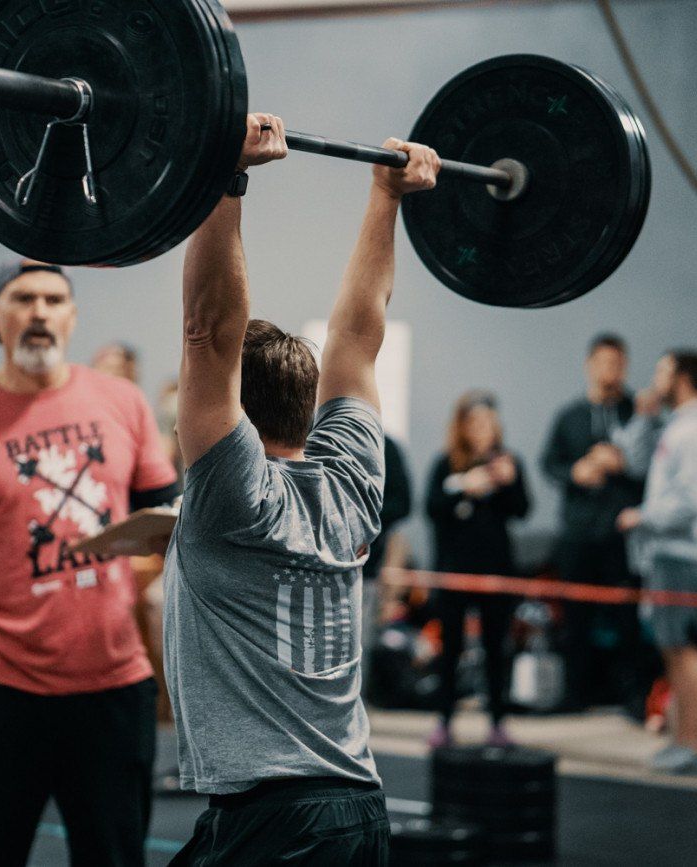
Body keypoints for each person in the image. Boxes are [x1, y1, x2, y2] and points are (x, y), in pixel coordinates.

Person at [162, 113, 440, 864]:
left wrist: (226, 180)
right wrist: (387, 198)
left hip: (276, 823)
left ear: (236, 417)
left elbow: (207, 333)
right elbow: (358, 334)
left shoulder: (233, 494)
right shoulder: (352, 478)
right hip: (353, 809)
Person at [0, 260, 178, 866]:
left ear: (72, 317)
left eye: (54, 299)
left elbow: (167, 520)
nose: (39, 312)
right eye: (23, 299)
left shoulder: (124, 404)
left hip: (113, 690)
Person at [616, 350, 697, 775]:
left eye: (662, 370)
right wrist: (644, 418)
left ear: (682, 377)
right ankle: (683, 741)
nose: (654, 378)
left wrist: (641, 517)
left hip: (685, 556)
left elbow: (691, 500)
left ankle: (693, 746)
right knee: (675, 650)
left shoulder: (696, 432)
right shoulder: (677, 427)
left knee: (687, 652)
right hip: (670, 555)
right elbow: (633, 459)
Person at [540, 333, 646, 711]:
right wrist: (577, 471)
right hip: (579, 534)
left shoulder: (639, 414)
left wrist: (623, 464)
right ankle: (575, 694)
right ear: (589, 366)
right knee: (576, 619)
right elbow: (549, 463)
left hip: (623, 535)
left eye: (616, 363)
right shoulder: (570, 416)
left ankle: (633, 696)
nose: (609, 371)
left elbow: (656, 467)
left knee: (628, 619)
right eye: (603, 362)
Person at [425, 391, 529, 748]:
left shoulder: (507, 463)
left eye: (488, 422)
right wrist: (464, 488)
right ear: (463, 427)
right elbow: (432, 508)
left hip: (496, 572)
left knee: (495, 649)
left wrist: (508, 481)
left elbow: (522, 509)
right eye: (475, 423)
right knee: (450, 649)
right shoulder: (447, 464)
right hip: (455, 572)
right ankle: (444, 721)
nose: (483, 429)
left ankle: (498, 722)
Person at [361, 432, 410, 698]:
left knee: (358, 645)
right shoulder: (313, 434)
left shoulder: (384, 445)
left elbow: (402, 502)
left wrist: (361, 518)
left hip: (365, 566)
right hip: (308, 564)